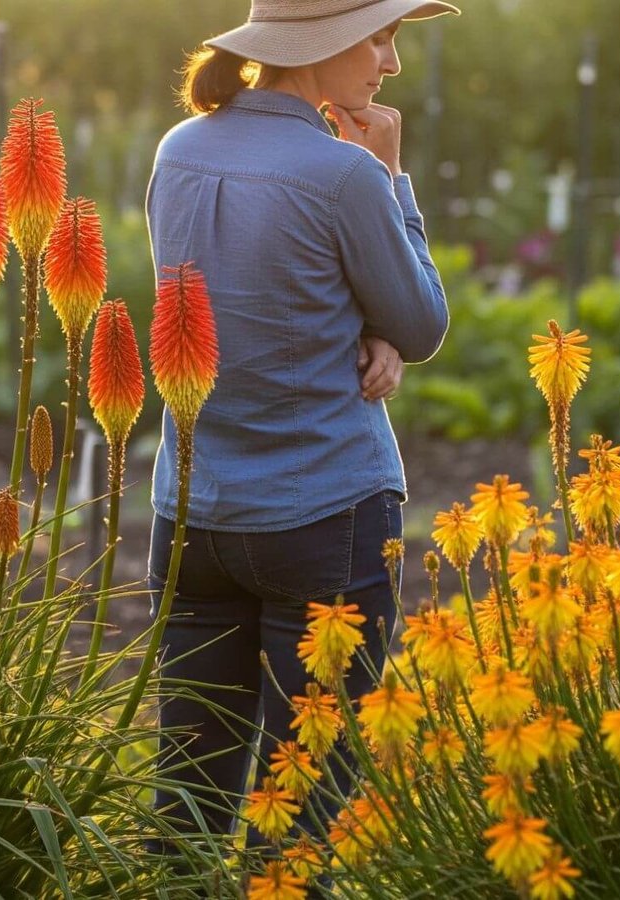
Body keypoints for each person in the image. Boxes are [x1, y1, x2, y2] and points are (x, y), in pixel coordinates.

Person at [142, 0, 459, 881]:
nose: (391, 64)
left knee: (187, 803)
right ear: (323, 45)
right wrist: (393, 177)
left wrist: (364, 326)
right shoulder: (345, 174)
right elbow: (424, 324)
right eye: (382, 37)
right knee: (304, 812)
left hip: (192, 519)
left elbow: (226, 306)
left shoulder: (178, 151)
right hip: (324, 521)